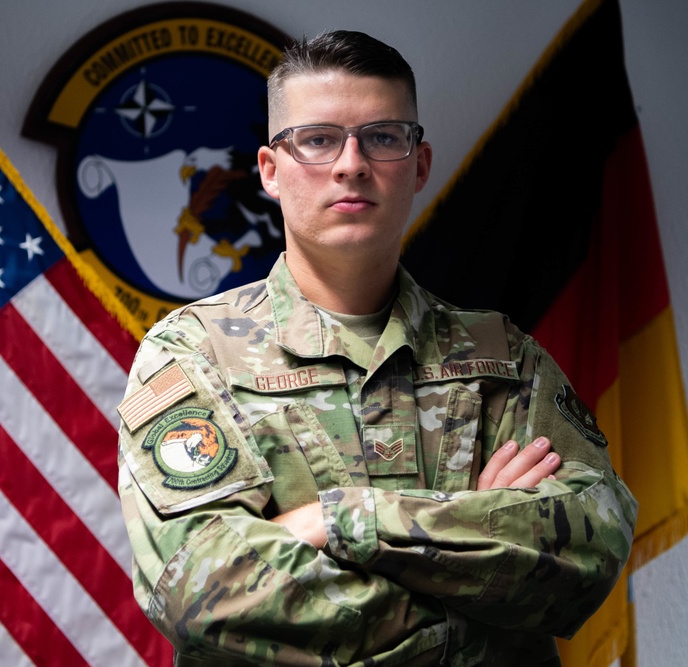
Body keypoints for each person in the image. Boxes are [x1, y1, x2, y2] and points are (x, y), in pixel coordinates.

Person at [117, 30, 637, 666]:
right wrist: (472, 559)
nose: (351, 163)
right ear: (271, 171)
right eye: (318, 139)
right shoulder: (195, 353)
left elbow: (590, 550)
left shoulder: (504, 355)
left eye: (383, 137)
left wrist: (340, 521)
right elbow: (205, 587)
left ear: (418, 165)